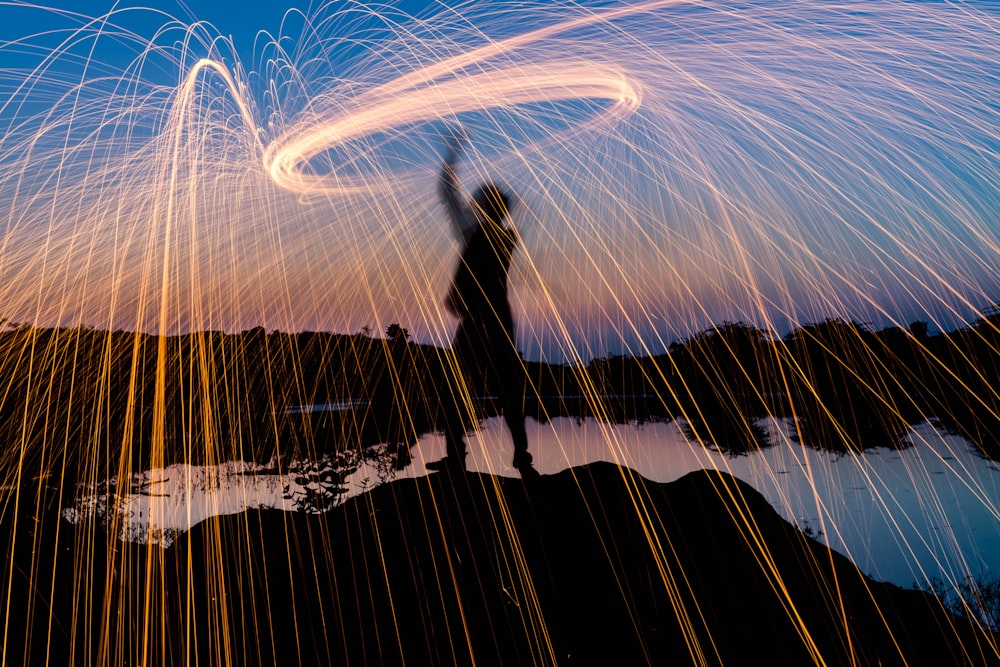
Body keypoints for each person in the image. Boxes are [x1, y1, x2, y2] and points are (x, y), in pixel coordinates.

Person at [429, 129, 533, 474]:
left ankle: (457, 459)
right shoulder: (506, 237)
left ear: (486, 207)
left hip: (477, 322)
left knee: (453, 387)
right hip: (500, 321)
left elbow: (446, 192)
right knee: (508, 390)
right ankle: (522, 458)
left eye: (479, 201)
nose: (472, 203)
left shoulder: (476, 233)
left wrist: (453, 149)